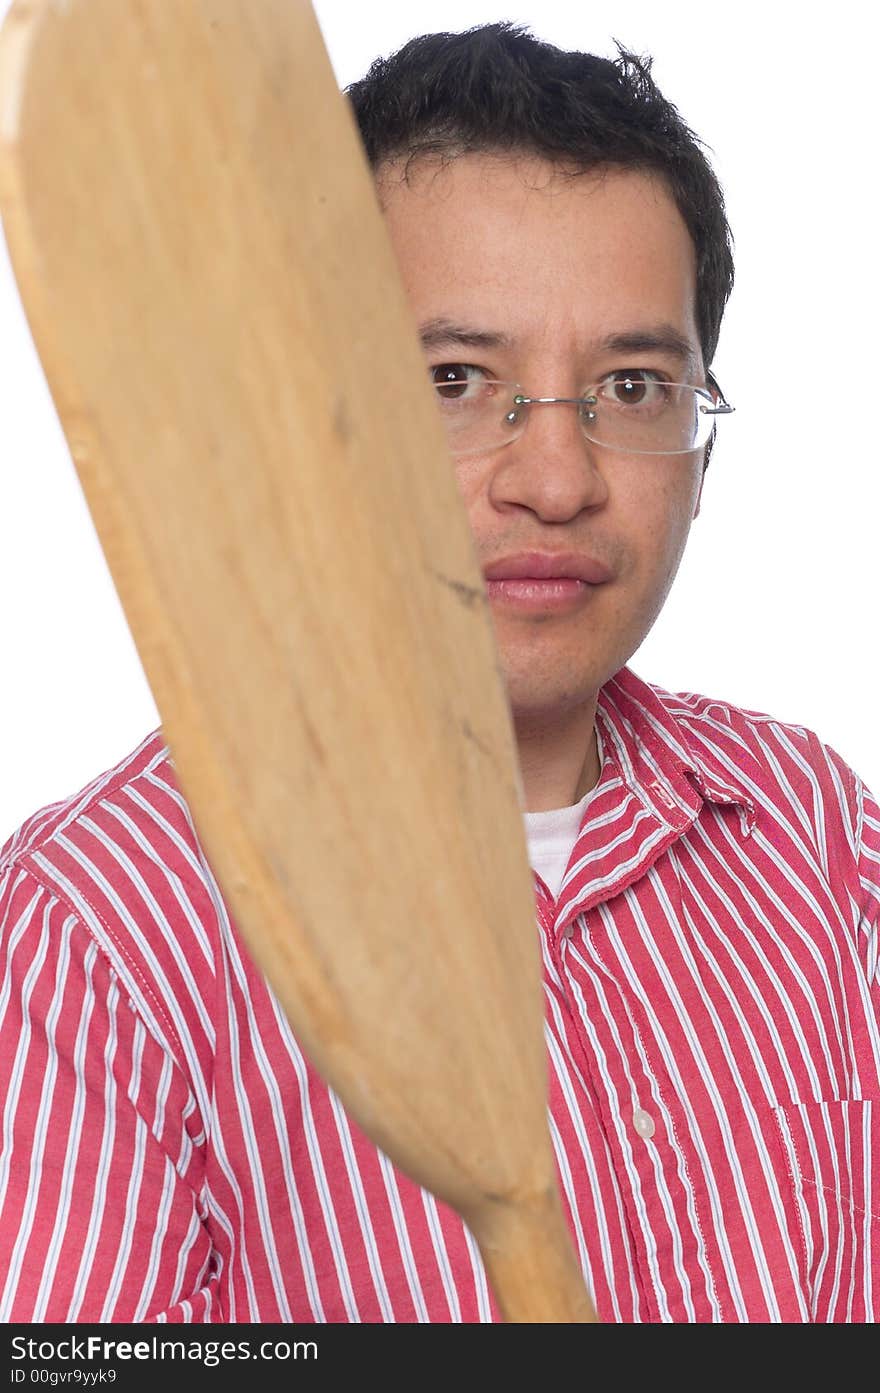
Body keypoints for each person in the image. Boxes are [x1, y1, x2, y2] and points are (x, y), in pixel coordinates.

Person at [1, 21, 878, 1326]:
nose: (558, 479)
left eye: (633, 385)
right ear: (305, 413)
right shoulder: (97, 935)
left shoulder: (815, 832)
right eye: (458, 380)